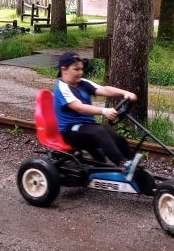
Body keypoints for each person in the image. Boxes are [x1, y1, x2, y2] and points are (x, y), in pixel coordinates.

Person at [53, 51, 143, 181]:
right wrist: (104, 111)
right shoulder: (62, 87)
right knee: (99, 132)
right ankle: (124, 166)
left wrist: (125, 93)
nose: (80, 72)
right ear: (64, 69)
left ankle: (132, 162)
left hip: (87, 127)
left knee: (116, 137)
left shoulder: (82, 83)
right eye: (76, 69)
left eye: (81, 69)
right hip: (70, 131)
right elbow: (79, 107)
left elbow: (104, 89)